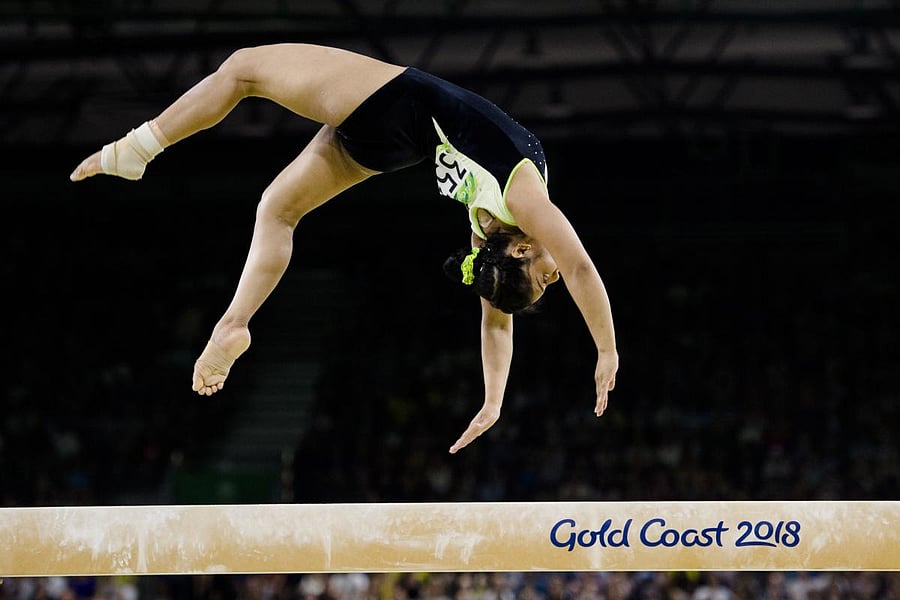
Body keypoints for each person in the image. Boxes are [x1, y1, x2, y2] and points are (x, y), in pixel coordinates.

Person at [70, 43, 618, 453]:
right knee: (277, 209)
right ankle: (233, 322)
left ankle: (137, 150)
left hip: (398, 102)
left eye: (544, 279)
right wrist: (498, 398)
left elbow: (574, 270)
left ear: (520, 252)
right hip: (397, 142)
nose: (555, 273)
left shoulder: (521, 204)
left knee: (242, 68)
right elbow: (516, 307)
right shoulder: (498, 223)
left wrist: (604, 352)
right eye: (549, 280)